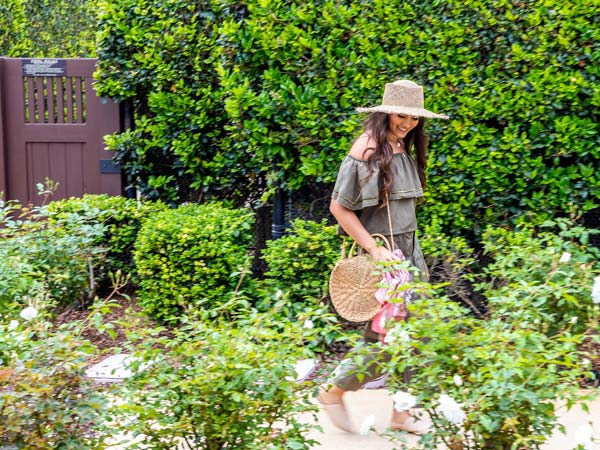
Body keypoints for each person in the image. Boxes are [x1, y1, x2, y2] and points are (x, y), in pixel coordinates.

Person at [318, 80, 448, 434]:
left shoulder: (401, 144)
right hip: (387, 262)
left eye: (413, 118)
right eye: (400, 115)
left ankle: (400, 411)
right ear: (386, 112)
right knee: (385, 339)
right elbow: (339, 207)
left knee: (414, 335)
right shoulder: (367, 149)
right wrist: (375, 251)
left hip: (409, 255)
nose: (406, 123)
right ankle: (334, 391)